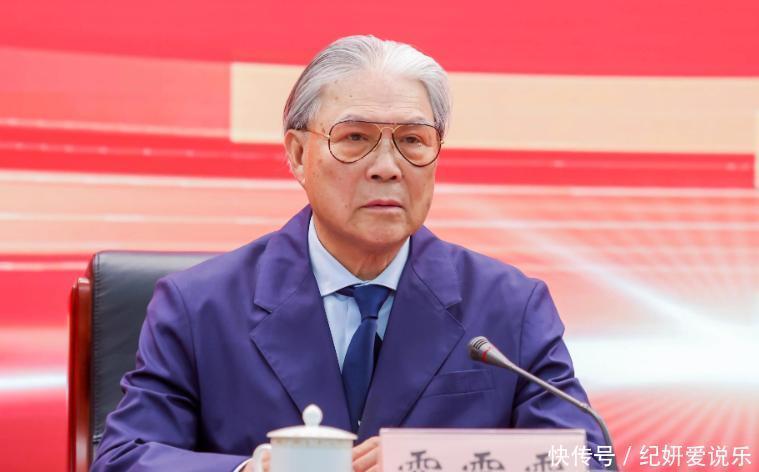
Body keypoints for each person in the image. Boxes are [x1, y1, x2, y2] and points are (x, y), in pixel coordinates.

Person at [91, 35, 611, 472]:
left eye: (413, 140)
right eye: (355, 137)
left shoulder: (509, 306)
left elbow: (588, 457)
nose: (387, 167)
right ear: (298, 154)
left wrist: (430, 461)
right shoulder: (198, 305)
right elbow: (123, 458)